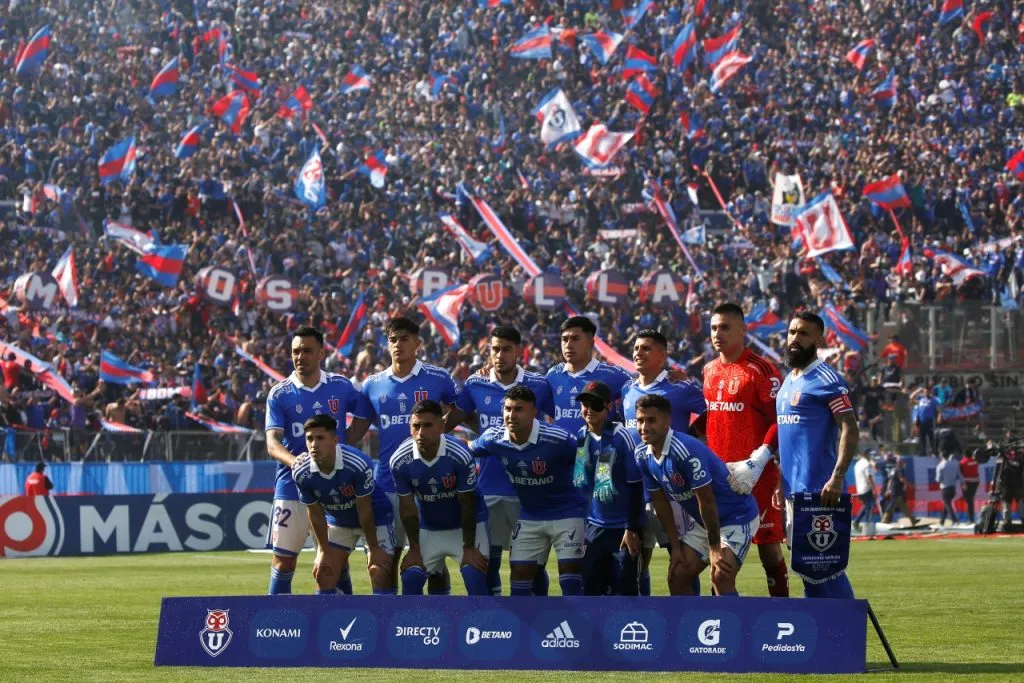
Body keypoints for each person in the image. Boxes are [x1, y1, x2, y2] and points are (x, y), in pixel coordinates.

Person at [264, 327, 373, 595]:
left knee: (336, 562)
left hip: (334, 489)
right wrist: (295, 462)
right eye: (295, 352)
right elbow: (272, 443)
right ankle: (275, 627)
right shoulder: (280, 393)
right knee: (284, 560)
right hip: (291, 486)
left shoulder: (340, 386)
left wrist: (345, 446)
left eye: (307, 351)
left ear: (321, 353)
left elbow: (365, 412)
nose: (300, 356)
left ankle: (343, 623)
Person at [446, 325, 553, 596]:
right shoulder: (475, 384)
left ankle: (538, 616)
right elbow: (449, 423)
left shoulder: (539, 385)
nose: (500, 354)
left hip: (528, 488)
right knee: (489, 563)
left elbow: (562, 420)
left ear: (519, 351)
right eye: (495, 349)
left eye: (507, 349)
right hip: (489, 488)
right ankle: (498, 623)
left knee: (533, 566)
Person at [361, 317, 459, 588]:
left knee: (433, 561)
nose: (398, 345)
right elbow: (354, 431)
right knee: (384, 561)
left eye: (405, 339)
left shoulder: (438, 378)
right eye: (393, 339)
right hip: (387, 484)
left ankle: (441, 616)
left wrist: (439, 432)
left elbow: (462, 411)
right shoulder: (372, 384)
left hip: (429, 484)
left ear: (417, 343)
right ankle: (387, 620)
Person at [701, 303, 790, 597]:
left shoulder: (762, 370)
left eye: (725, 327)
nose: (718, 334)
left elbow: (780, 420)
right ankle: (721, 624)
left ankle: (782, 618)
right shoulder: (709, 370)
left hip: (757, 477)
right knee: (721, 561)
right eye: (714, 327)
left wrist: (761, 458)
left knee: (769, 552)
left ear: (743, 330)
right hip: (720, 479)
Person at [634, 394, 759, 596]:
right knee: (678, 575)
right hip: (705, 523)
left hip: (736, 516)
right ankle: (692, 627)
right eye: (640, 420)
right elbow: (660, 501)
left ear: (667, 421)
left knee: (720, 576)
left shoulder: (685, 450)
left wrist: (715, 548)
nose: (644, 427)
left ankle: (734, 627)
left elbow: (707, 501)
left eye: (651, 420)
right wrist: (675, 547)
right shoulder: (641, 454)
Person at [468, 385, 586, 596]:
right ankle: (526, 626)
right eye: (508, 409)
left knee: (570, 572)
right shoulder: (493, 438)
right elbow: (466, 450)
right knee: (519, 574)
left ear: (533, 412)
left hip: (567, 512)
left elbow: (586, 456)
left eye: (519, 409)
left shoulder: (557, 439)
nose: (511, 415)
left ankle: (579, 626)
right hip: (530, 515)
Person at [772, 312, 859, 599]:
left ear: (819, 339)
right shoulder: (788, 381)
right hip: (794, 494)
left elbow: (849, 427)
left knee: (826, 570)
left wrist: (837, 477)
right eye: (792, 332)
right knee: (808, 572)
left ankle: (848, 630)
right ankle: (824, 638)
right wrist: (779, 481)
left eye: (804, 334)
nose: (795, 339)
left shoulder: (827, 380)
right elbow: (789, 440)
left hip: (820, 493)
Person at [621, 329, 706, 596]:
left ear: (662, 355)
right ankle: (641, 621)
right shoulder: (627, 389)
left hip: (673, 491)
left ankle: (691, 622)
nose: (638, 353)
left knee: (680, 562)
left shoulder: (680, 389)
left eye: (646, 348)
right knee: (632, 559)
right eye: (636, 348)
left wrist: (693, 439)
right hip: (634, 490)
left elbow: (713, 410)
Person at [390, 400, 490, 596]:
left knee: (474, 574)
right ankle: (415, 625)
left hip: (467, 526)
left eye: (428, 425)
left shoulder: (460, 455)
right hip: (430, 527)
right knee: (411, 576)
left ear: (442, 426)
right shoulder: (399, 460)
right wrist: (414, 548)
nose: (420, 432)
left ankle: (482, 625)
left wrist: (469, 548)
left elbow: (467, 503)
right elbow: (408, 508)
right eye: (416, 426)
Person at [291, 415, 395, 595]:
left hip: (375, 520)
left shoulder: (357, 463)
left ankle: (385, 621)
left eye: (320, 438)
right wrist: (322, 551)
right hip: (339, 522)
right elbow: (315, 513)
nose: (314, 444)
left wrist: (375, 549)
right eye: (309, 439)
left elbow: (365, 509)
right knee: (324, 573)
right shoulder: (301, 471)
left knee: (379, 571)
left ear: (335, 440)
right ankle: (335, 620)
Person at [572, 381, 644, 596]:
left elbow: (636, 485)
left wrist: (631, 529)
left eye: (595, 404)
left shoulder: (622, 437)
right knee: (590, 587)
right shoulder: (581, 436)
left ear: (608, 407)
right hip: (594, 527)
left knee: (625, 587)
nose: (589, 409)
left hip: (622, 528)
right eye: (585, 403)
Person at [546, 316, 632, 434]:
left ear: (590, 342)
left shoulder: (614, 375)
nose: (568, 345)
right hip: (561, 451)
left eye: (575, 339)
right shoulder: (553, 375)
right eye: (565, 339)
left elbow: (640, 394)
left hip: (599, 451)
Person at [853, 451, 877, 536]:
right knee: (870, 506)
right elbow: (869, 477)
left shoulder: (858, 464)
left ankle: (857, 521)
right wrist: (873, 489)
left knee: (867, 505)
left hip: (860, 488)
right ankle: (867, 525)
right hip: (867, 488)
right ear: (866, 454)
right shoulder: (867, 464)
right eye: (870, 454)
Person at [935, 453, 963, 526]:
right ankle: (942, 521)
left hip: (945, 487)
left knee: (947, 504)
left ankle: (954, 520)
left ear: (941, 456)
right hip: (953, 487)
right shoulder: (954, 464)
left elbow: (938, 479)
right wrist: (963, 482)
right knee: (947, 504)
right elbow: (959, 475)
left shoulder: (940, 465)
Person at [912, 391, 940, 458]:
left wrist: (939, 416)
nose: (926, 393)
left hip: (929, 421)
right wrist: (918, 390)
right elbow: (911, 398)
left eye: (927, 391)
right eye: (925, 392)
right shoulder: (921, 399)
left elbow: (938, 410)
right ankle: (923, 452)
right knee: (922, 438)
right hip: (921, 421)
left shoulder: (933, 400)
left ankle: (934, 452)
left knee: (931, 437)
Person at [960, 451, 980, 524]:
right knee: (970, 501)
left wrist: (963, 484)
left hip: (967, 483)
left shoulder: (962, 462)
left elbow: (961, 474)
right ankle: (971, 518)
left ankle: (971, 520)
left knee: (969, 502)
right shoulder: (975, 461)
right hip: (975, 482)